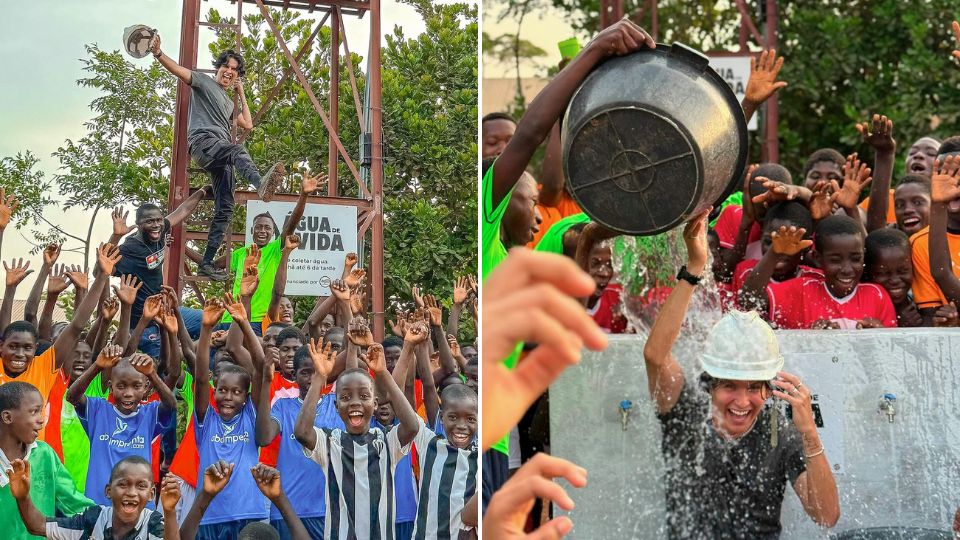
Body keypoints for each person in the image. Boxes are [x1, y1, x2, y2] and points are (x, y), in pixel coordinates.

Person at [643, 211, 839, 538]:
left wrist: (810, 434)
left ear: (769, 387)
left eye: (753, 388)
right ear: (709, 385)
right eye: (729, 387)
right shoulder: (685, 412)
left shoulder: (781, 432)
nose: (742, 401)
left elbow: (826, 515)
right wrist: (694, 268)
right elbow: (655, 355)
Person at [149, 36, 285, 280]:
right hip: (204, 143)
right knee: (236, 151)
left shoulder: (226, 100)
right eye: (226, 67)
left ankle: (207, 263)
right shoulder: (203, 82)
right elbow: (178, 71)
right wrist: (159, 54)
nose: (229, 72)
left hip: (220, 153)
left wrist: (241, 91)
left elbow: (248, 124)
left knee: (226, 208)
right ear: (218, 67)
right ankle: (260, 183)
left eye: (234, 70)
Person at [295, 340, 420, 538]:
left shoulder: (386, 441)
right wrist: (320, 377)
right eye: (345, 397)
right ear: (336, 406)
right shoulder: (330, 442)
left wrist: (382, 373)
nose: (355, 402)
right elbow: (302, 432)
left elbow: (412, 426)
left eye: (364, 396)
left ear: (375, 403)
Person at [0, 243, 120, 438]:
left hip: (35, 460)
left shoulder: (43, 367)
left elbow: (76, 327)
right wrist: (10, 289)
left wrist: (102, 277)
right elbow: (22, 319)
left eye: (27, 348)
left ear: (36, 348)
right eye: (13, 346)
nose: (20, 354)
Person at [192, 297, 268, 538]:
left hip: (249, 513)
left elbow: (261, 366)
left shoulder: (250, 415)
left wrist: (244, 321)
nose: (228, 397)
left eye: (236, 392)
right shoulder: (207, 419)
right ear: (215, 390)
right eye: (223, 390)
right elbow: (202, 376)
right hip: (208, 515)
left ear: (246, 397)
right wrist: (205, 329)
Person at [740, 215, 896, 329]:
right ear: (818, 259)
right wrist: (774, 253)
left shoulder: (877, 295)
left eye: (855, 259)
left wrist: (879, 336)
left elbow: (894, 356)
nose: (847, 269)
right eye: (835, 260)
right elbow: (748, 301)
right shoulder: (801, 290)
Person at [66, 345, 176, 506]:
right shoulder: (98, 410)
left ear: (146, 389)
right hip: (99, 506)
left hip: (138, 508)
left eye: (136, 386)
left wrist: (151, 373)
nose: (128, 393)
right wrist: (97, 366)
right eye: (121, 386)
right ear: (111, 387)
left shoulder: (150, 414)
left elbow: (171, 405)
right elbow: (72, 396)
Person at [254, 341, 341, 539]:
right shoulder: (283, 406)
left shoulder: (335, 404)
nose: (312, 378)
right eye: (305, 372)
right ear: (294, 376)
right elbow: (263, 437)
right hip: (287, 509)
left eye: (317, 372)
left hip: (328, 510)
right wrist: (267, 381)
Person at [216, 173, 322, 326]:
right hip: (232, 317)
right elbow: (210, 264)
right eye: (259, 227)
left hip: (259, 320)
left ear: (273, 233)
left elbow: (292, 223)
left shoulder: (275, 249)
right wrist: (180, 247)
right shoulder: (240, 254)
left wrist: (303, 195)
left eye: (267, 228)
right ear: (252, 230)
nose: (262, 231)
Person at [110, 190, 208, 355]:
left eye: (158, 220)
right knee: (165, 367)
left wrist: (203, 191)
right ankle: (178, 354)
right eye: (149, 221)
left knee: (207, 320)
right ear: (139, 224)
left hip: (164, 311)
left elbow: (183, 210)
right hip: (144, 324)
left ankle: (187, 353)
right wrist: (115, 236)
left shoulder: (160, 231)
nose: (156, 225)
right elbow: (100, 269)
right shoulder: (130, 248)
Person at [0, 382, 94, 539]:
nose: (41, 420)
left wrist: (109, 519)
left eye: (41, 411)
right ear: (8, 417)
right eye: (34, 412)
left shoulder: (45, 453)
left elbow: (73, 500)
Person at [10, 455, 180, 540]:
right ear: (108, 491)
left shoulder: (153, 524)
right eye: (123, 484)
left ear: (151, 495)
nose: (131, 492)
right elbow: (37, 526)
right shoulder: (93, 520)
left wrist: (170, 511)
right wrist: (23, 497)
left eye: (141, 486)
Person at [731, 201, 821, 308]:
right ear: (761, 238)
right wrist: (773, 253)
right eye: (769, 242)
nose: (779, 249)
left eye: (789, 244)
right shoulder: (745, 271)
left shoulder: (815, 279)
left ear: (807, 245)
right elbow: (747, 304)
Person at [911, 145, 960, 321]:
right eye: (945, 175)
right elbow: (932, 317)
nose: (953, 183)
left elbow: (942, 274)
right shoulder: (920, 242)